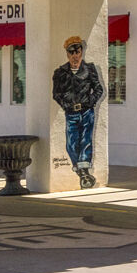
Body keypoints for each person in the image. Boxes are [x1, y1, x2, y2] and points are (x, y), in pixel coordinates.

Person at [50, 32, 102, 184]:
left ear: (81, 52)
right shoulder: (60, 73)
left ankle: (84, 174)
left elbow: (98, 89)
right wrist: (66, 105)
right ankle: (81, 171)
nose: (75, 56)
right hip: (71, 113)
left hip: (87, 111)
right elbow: (56, 94)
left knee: (86, 141)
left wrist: (90, 102)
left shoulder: (90, 69)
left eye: (77, 52)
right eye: (71, 52)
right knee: (71, 144)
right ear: (67, 54)